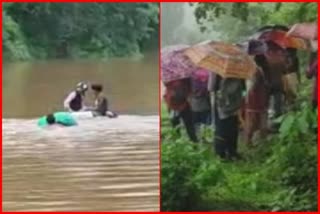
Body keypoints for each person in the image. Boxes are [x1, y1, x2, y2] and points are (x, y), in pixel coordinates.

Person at [208, 73, 245, 160]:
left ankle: (221, 154)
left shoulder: (216, 69)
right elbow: (243, 88)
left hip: (221, 105)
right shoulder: (237, 69)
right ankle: (232, 152)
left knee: (221, 130)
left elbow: (211, 87)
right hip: (235, 105)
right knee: (233, 129)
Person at [164, 78, 198, 143]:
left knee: (175, 126)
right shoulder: (185, 76)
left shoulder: (168, 76)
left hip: (172, 103)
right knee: (189, 126)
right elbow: (190, 89)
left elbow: (165, 84)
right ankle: (194, 143)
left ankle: (177, 143)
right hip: (184, 103)